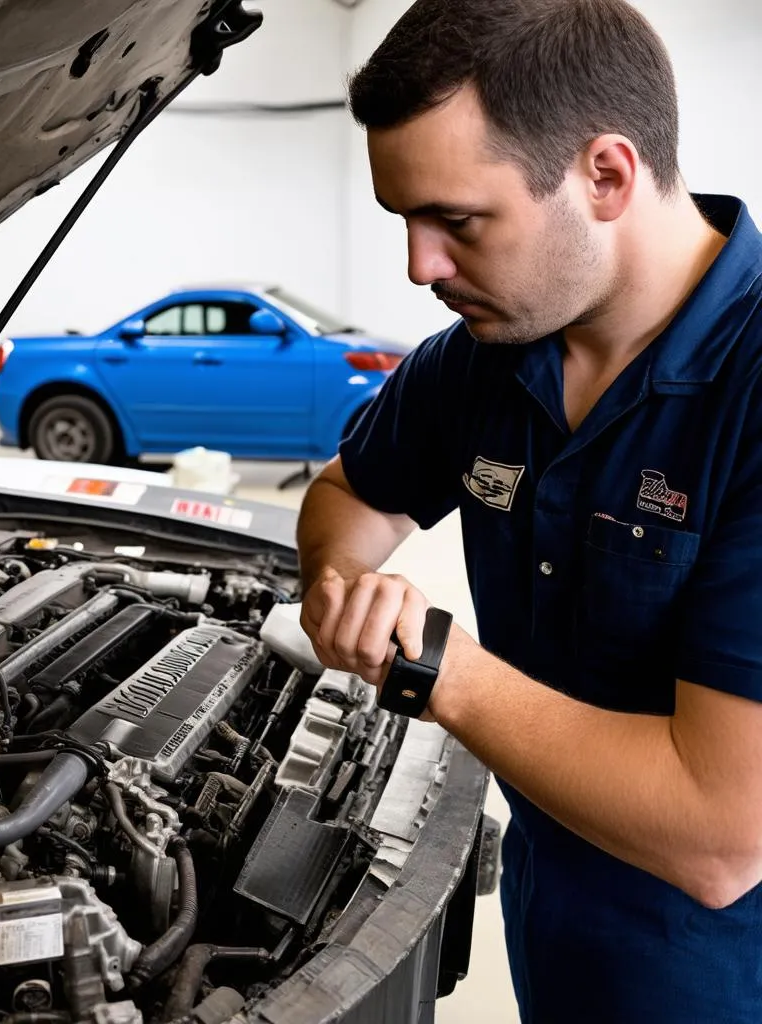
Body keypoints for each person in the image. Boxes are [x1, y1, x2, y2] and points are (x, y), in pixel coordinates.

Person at [295, 0, 762, 1021]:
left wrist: (439, 668)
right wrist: (344, 587)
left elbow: (721, 833)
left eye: (455, 221)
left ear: (605, 175)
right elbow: (346, 496)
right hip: (555, 927)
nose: (419, 266)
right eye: (404, 222)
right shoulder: (483, 360)